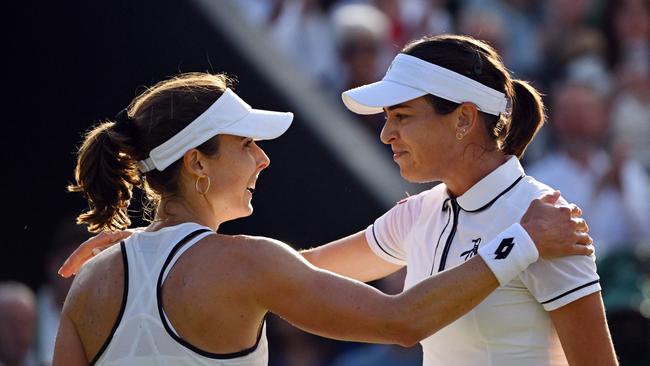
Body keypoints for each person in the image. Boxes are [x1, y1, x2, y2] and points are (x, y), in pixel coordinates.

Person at [53, 72, 591, 366]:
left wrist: (142, 246)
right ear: (196, 163)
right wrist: (520, 241)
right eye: (246, 145)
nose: (263, 159)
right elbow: (399, 321)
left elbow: (291, 273)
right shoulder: (251, 265)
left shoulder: (90, 284)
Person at [332, 34, 618, 365]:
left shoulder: (550, 221)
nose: (386, 133)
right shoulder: (416, 214)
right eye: (387, 117)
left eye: (402, 116)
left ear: (464, 119)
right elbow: (300, 278)